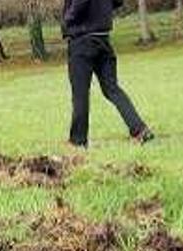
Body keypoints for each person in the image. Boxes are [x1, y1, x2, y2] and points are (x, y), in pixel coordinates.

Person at [62, 0, 154, 148]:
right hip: (103, 39)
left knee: (80, 94)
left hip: (81, 41)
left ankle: (77, 141)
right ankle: (140, 130)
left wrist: (67, 18)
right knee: (112, 89)